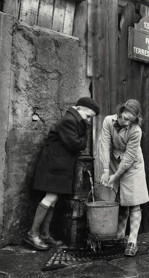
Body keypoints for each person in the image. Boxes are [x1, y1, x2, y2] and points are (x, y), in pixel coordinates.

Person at [25, 97, 100, 251]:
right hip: (54, 164)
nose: (88, 120)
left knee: (54, 198)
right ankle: (32, 234)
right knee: (50, 197)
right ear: (79, 109)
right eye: (88, 116)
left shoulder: (74, 120)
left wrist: (81, 137)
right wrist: (84, 137)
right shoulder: (69, 120)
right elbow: (75, 144)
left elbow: (76, 143)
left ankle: (45, 234)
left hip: (59, 164)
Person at [100, 99, 149, 256]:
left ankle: (132, 242)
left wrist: (115, 176)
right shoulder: (108, 121)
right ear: (120, 113)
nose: (127, 123)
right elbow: (105, 145)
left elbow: (128, 158)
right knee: (121, 201)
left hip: (133, 165)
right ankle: (120, 237)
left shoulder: (136, 131)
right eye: (125, 119)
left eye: (131, 120)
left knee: (133, 201)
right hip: (114, 161)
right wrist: (106, 169)